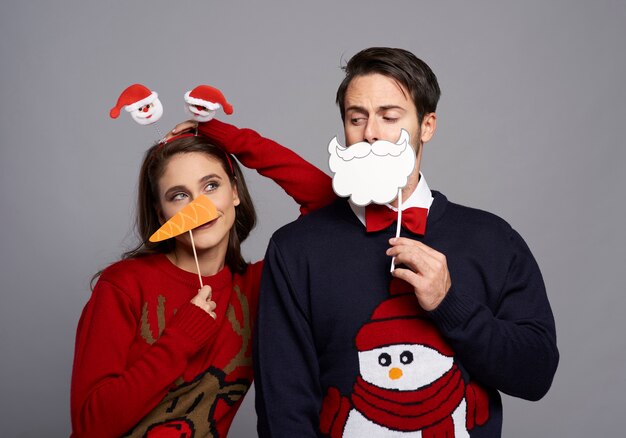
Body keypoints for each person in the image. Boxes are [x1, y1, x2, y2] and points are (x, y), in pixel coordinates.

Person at [254, 47, 559, 437]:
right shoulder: (296, 249)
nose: (370, 133)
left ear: (427, 126)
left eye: (389, 116)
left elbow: (535, 375)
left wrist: (451, 305)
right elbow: (284, 407)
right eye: (356, 118)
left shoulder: (493, 240)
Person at [70, 120, 335, 437]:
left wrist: (232, 138)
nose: (200, 207)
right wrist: (180, 340)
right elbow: (90, 426)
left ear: (235, 192)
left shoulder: (257, 289)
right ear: (160, 214)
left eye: (211, 186)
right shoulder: (124, 285)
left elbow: (330, 210)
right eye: (179, 195)